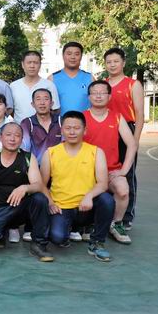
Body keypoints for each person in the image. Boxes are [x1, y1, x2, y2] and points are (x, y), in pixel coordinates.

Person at [40, 111, 115, 262]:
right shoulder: (51, 153)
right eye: (68, 128)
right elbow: (41, 184)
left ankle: (97, 242)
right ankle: (71, 229)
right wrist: (50, 202)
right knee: (57, 238)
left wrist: (89, 196)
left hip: (86, 206)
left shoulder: (96, 152)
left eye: (77, 128)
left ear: (85, 130)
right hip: (61, 206)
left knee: (107, 200)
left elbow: (103, 183)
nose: (72, 132)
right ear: (62, 130)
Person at [0, 123, 53, 262]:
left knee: (39, 199)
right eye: (8, 135)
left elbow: (38, 184)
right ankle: (2, 232)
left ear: (22, 139)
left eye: (17, 135)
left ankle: (39, 244)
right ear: (0, 138)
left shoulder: (28, 158)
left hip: (20, 208)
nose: (12, 139)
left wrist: (24, 188)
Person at [83, 80, 137, 244]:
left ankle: (116, 223)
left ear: (109, 96)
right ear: (89, 97)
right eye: (94, 93)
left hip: (111, 170)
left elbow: (132, 144)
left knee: (123, 190)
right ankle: (87, 224)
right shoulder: (82, 117)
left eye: (102, 93)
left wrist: (124, 170)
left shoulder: (117, 117)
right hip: (87, 170)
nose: (98, 96)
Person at [104, 47, 144, 229]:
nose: (112, 65)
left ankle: (126, 217)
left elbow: (139, 114)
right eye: (109, 62)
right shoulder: (102, 85)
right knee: (105, 172)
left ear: (123, 63)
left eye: (116, 61)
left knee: (126, 174)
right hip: (107, 130)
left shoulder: (133, 84)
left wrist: (135, 140)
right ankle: (106, 214)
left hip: (126, 130)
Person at [10, 51, 61, 122]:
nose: (32, 66)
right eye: (29, 62)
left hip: (43, 128)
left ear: (40, 65)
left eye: (35, 63)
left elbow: (55, 110)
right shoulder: (13, 86)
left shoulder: (49, 85)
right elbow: (11, 110)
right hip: (20, 127)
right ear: (22, 65)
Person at [49, 41, 93, 113]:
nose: (73, 57)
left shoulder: (90, 78)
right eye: (69, 54)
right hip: (61, 120)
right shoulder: (52, 78)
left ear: (81, 56)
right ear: (63, 56)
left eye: (77, 54)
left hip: (84, 119)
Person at [20, 88, 62, 163]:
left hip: (59, 166)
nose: (42, 103)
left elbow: (67, 146)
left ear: (52, 103)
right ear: (32, 104)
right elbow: (25, 148)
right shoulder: (27, 123)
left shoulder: (61, 121)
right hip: (36, 167)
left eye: (46, 99)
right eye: (38, 99)